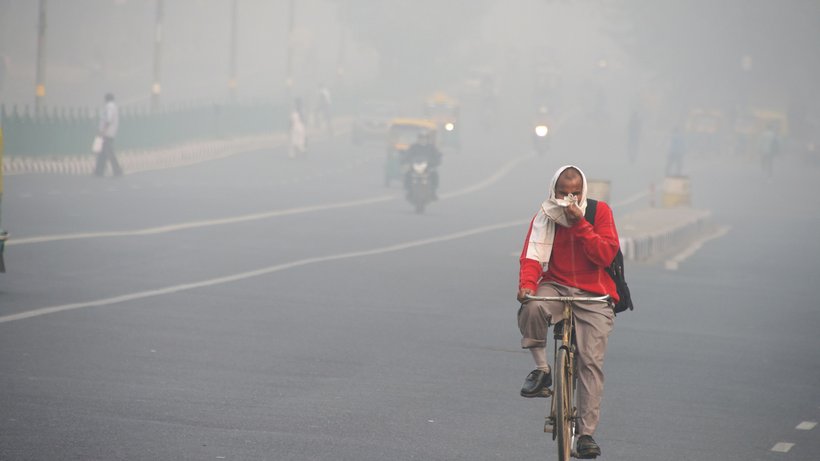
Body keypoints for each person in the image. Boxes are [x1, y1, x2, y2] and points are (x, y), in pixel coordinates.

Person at [516, 165, 620, 459]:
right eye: (563, 193)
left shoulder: (599, 213)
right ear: (554, 191)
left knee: (590, 361)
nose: (569, 200)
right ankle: (542, 370)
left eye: (575, 193)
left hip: (594, 294)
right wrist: (526, 285)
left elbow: (604, 254)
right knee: (532, 305)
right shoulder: (546, 215)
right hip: (557, 286)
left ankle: (586, 434)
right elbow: (532, 256)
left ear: (582, 191)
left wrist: (581, 225)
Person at [402, 131, 442, 199]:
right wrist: (404, 160)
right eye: (421, 138)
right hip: (415, 167)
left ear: (427, 139)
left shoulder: (431, 147)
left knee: (434, 175)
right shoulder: (413, 147)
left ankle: (433, 192)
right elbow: (407, 154)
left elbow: (436, 155)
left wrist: (436, 161)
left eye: (424, 138)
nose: (422, 140)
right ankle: (409, 191)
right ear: (418, 139)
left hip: (428, 167)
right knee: (408, 174)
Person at [94, 92, 122, 177]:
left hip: (107, 133)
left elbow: (108, 120)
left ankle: (117, 170)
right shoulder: (114, 107)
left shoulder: (109, 107)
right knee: (103, 153)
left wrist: (103, 131)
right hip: (111, 132)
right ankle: (99, 171)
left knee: (109, 153)